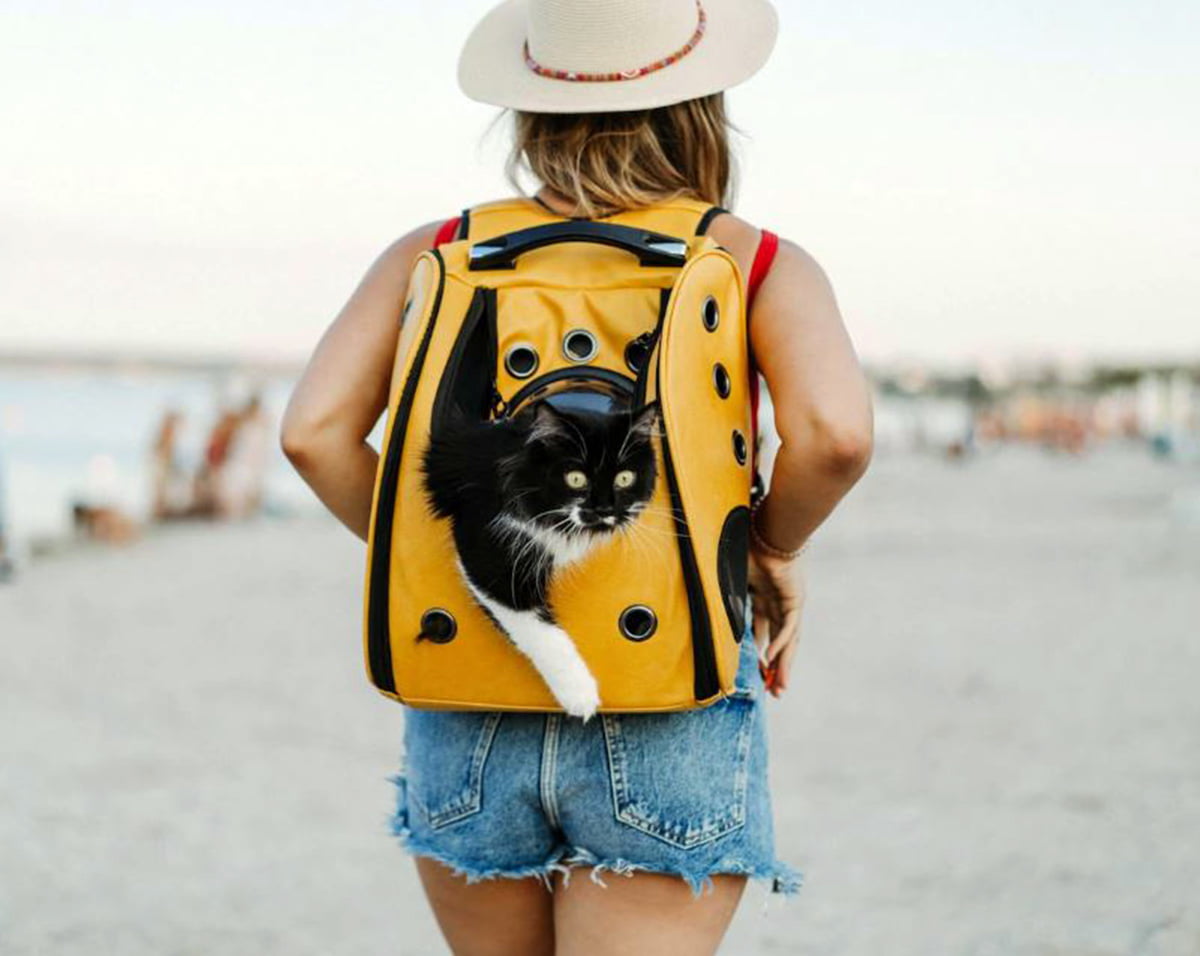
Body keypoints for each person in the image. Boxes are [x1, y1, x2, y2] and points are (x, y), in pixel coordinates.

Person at [281, 1, 873, 951]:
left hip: (467, 687)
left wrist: (455, 547)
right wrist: (767, 546)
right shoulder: (752, 259)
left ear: (529, 107)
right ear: (702, 105)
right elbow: (835, 436)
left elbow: (313, 433)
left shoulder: (438, 253)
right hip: (665, 693)